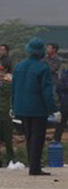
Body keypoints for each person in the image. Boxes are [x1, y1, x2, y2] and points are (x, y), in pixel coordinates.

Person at [12, 38, 58, 176]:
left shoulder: (19, 66)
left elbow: (14, 89)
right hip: (38, 109)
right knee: (38, 138)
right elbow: (47, 92)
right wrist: (53, 109)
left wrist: (12, 106)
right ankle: (35, 168)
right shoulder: (43, 68)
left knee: (29, 137)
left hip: (22, 108)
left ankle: (33, 165)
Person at [0, 66, 14, 166]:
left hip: (6, 114)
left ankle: (10, 159)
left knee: (8, 139)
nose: (0, 74)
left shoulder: (8, 84)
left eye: (1, 72)